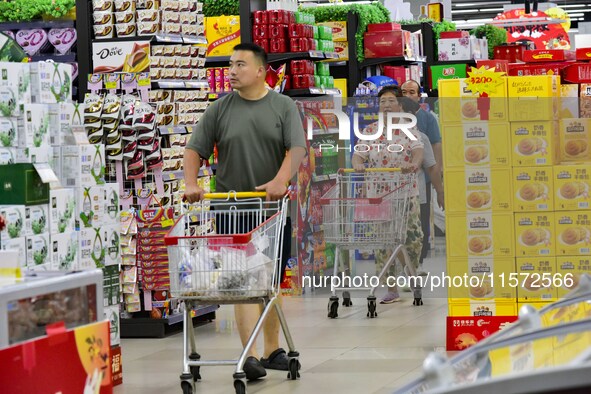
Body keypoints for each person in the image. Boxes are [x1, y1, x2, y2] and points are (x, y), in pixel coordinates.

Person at [183, 43, 307, 381]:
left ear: (259, 70)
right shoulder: (220, 109)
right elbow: (195, 149)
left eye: (240, 64)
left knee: (269, 281)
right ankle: (250, 355)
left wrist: (281, 180)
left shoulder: (282, 106)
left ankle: (272, 349)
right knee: (242, 283)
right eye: (230, 64)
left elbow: (296, 149)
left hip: (271, 209)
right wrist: (191, 182)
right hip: (231, 208)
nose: (232, 71)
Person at [351, 85, 424, 304]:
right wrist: (357, 165)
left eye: (391, 101)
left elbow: (418, 150)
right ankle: (391, 288)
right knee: (383, 242)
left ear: (400, 105)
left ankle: (411, 274)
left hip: (405, 194)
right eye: (382, 102)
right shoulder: (370, 130)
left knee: (412, 239)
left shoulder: (409, 129)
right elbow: (359, 154)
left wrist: (414, 163)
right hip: (378, 196)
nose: (386, 105)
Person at [401, 79, 443, 267]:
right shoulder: (393, 119)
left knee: (421, 220)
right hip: (397, 183)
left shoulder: (428, 119)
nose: (407, 96)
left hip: (422, 179)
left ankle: (418, 260)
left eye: (411, 92)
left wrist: (438, 177)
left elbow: (436, 146)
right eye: (403, 92)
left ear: (419, 96)